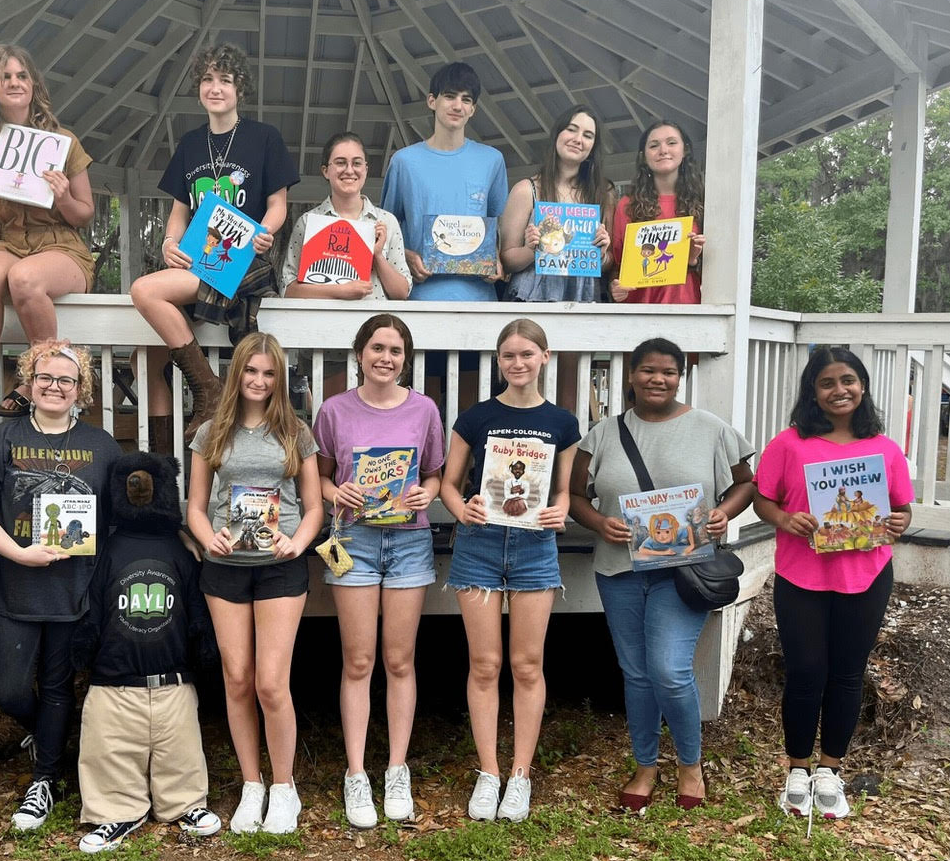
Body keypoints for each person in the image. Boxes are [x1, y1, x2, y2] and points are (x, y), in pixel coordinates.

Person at [568, 337, 754, 811]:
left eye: (669, 372)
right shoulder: (604, 434)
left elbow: (745, 483)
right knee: (636, 673)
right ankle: (646, 764)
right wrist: (597, 523)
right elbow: (575, 495)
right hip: (620, 568)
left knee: (669, 671)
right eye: (648, 370)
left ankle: (690, 763)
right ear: (630, 376)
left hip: (683, 570)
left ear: (680, 377)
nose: (658, 379)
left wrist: (723, 513)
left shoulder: (710, 429)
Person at [0, 341, 122, 832]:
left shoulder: (102, 446)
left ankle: (45, 778)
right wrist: (18, 552)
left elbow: (114, 518)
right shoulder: (1, 440)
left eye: (66, 381)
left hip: (75, 585)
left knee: (58, 685)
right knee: (8, 691)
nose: (55, 387)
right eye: (45, 378)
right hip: (15, 580)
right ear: (29, 384)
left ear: (81, 390)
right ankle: (51, 737)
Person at [753, 347, 912, 822]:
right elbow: (763, 501)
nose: (839, 390)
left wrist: (898, 522)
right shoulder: (790, 443)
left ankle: (831, 770)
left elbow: (901, 508)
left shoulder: (884, 447)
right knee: (805, 673)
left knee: (847, 674)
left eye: (848, 381)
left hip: (865, 576)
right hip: (802, 576)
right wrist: (785, 517)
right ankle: (797, 769)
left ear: (862, 387)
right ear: (813, 392)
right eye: (827, 383)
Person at [439, 319, 579, 822]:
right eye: (507, 356)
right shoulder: (476, 418)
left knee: (526, 665)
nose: (517, 364)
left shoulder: (562, 422)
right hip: (478, 545)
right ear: (498, 362)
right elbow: (449, 484)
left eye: (526, 354)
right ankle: (488, 772)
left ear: (545, 356)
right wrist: (462, 510)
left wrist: (560, 511)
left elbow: (563, 490)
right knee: (484, 665)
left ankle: (520, 774)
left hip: (535, 547)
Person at [187, 333, 324, 834]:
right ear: (237, 374)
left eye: (269, 374)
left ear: (279, 379)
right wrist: (208, 539)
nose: (260, 382)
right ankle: (252, 784)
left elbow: (313, 508)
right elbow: (196, 507)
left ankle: (284, 787)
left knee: (270, 682)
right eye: (251, 372)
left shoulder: (296, 432)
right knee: (238, 678)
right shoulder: (211, 433)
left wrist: (298, 542)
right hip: (225, 569)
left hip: (280, 565)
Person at [130, 44, 299, 448]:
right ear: (199, 87)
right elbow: (179, 211)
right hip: (197, 259)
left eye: (225, 79)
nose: (216, 87)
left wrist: (265, 231)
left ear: (240, 87)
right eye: (208, 79)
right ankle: (171, 440)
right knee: (152, 349)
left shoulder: (264, 138)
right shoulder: (191, 144)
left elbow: (278, 206)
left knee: (143, 290)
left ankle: (206, 389)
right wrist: (171, 241)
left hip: (243, 261)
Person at [313, 314, 445, 828]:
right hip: (354, 542)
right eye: (376, 348)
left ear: (405, 358)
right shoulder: (334, 410)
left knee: (399, 659)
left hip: (409, 542)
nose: (385, 358)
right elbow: (320, 477)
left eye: (395, 350)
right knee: (358, 660)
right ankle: (355, 774)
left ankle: (395, 769)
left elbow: (433, 476)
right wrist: (335, 492)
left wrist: (425, 495)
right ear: (360, 353)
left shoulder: (424, 409)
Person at [73, 451, 222, 851]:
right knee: (109, 749)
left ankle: (184, 802)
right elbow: (92, 606)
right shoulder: (107, 547)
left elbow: (194, 603)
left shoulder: (181, 550)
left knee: (182, 749)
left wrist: (203, 646)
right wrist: (84, 647)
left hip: (172, 676)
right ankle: (115, 811)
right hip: (114, 682)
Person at [0, 44, 96, 426]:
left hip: (61, 245)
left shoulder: (62, 140)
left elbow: (84, 214)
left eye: (21, 75)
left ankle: (34, 379)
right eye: (5, 77)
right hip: (9, 240)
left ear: (33, 83)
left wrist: (62, 197)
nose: (14, 83)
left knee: (25, 278)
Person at [380, 62, 507, 302]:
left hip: (479, 299)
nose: (458, 106)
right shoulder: (404, 162)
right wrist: (406, 256)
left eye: (466, 100)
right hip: (419, 297)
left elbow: (501, 231)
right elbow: (385, 232)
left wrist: (497, 258)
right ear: (432, 101)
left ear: (473, 109)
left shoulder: (492, 160)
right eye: (449, 96)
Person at [499, 105, 615, 303]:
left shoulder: (604, 193)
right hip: (531, 297)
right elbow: (507, 260)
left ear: (593, 146)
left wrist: (602, 254)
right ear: (556, 135)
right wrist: (530, 250)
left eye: (588, 135)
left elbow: (609, 262)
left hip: (583, 297)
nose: (578, 139)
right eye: (571, 129)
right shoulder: (526, 190)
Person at [280, 132, 411, 301]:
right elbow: (287, 289)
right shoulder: (308, 221)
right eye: (341, 163)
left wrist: (377, 256)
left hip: (375, 324)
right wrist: (340, 291)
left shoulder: (386, 221)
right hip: (320, 324)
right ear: (326, 171)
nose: (349, 170)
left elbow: (402, 293)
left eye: (356, 163)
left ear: (365, 169)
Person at [608, 120, 705, 304]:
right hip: (639, 309)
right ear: (644, 157)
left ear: (684, 150)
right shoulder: (626, 205)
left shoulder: (704, 203)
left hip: (687, 307)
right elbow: (617, 266)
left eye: (671, 142)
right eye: (654, 145)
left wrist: (693, 260)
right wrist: (615, 288)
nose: (663, 150)